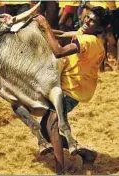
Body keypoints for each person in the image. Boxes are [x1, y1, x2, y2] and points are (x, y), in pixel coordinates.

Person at [34, 6, 110, 157]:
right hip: (69, 86)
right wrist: (37, 28)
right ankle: (79, 150)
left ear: (99, 27)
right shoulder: (85, 32)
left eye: (92, 21)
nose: (87, 20)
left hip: (72, 90)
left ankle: (77, 154)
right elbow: (62, 33)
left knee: (50, 126)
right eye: (88, 16)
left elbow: (58, 52)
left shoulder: (89, 41)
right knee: (46, 127)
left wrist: (45, 25)